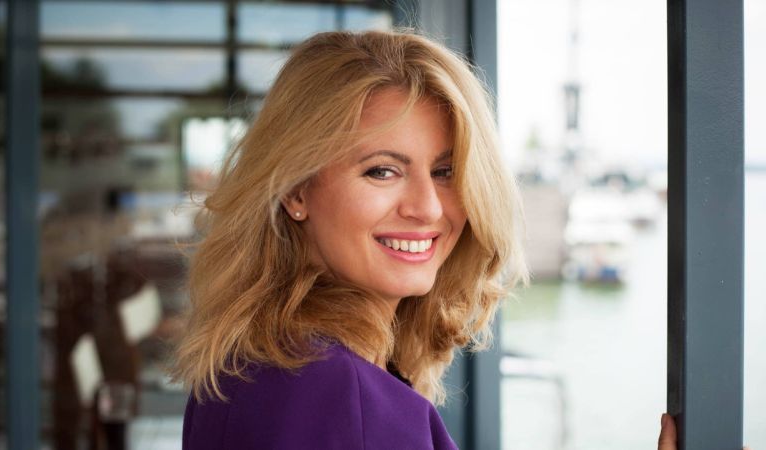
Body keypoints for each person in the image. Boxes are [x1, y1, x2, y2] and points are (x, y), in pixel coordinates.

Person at [172, 29, 748, 450]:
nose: (427, 207)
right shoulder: (343, 395)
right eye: (382, 170)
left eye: (446, 172)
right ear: (296, 189)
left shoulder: (250, 363)